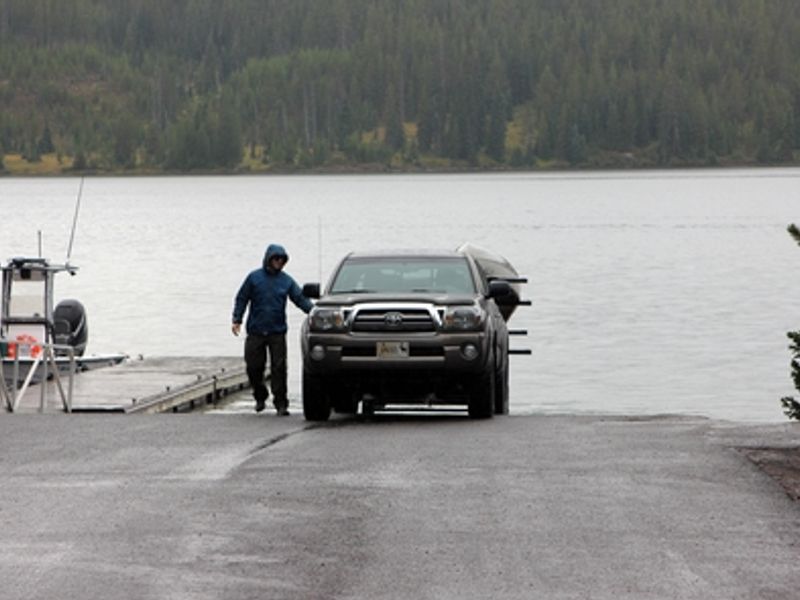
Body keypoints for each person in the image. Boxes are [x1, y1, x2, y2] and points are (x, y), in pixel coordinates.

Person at [232, 243, 313, 415]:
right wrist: (236, 319)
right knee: (254, 367)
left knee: (279, 369)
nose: (278, 262)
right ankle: (260, 395)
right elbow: (242, 298)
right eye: (276, 258)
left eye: (282, 260)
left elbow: (300, 299)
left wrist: (314, 313)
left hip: (277, 332)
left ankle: (281, 403)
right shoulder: (254, 278)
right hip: (256, 331)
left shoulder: (286, 281)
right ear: (268, 259)